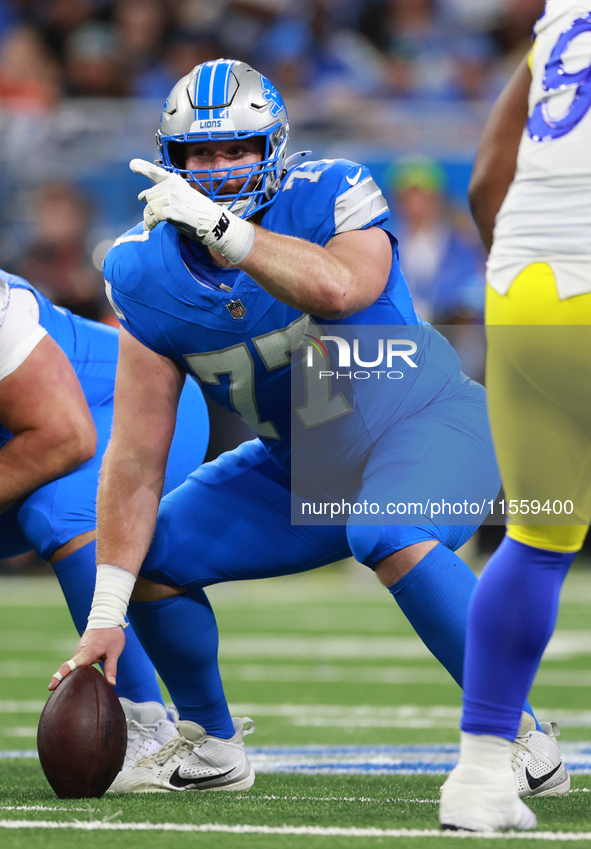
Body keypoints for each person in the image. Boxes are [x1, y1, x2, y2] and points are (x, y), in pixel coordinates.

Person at [52, 58, 561, 795]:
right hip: (298, 466)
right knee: (148, 562)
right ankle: (212, 744)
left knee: (386, 530)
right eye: (201, 153)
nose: (219, 169)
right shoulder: (142, 269)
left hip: (424, 425)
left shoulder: (332, 191)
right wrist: (105, 612)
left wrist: (229, 233)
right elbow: (133, 455)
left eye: (237, 150)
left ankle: (517, 735)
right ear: (173, 160)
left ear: (274, 149)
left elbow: (338, 285)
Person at [440, 0, 590, 831]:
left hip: (525, 288)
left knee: (534, 538)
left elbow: (484, 178)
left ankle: (479, 778)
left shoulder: (564, 19)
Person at [0, 269, 210, 767]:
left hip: (135, 408)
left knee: (59, 513)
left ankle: (144, 725)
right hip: (43, 436)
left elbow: (65, 436)